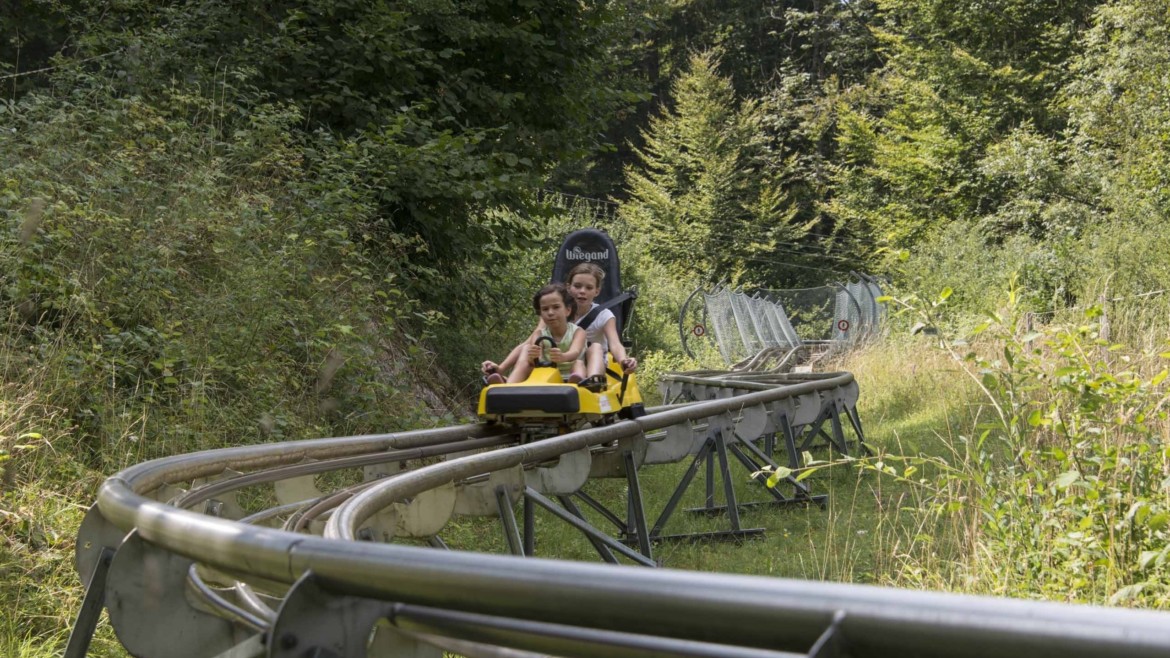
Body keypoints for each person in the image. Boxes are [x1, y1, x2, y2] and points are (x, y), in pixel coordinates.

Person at [482, 263, 637, 390]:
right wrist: (501, 366)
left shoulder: (604, 315)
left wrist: (624, 360)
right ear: (569, 288)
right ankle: (508, 386)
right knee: (527, 350)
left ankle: (592, 383)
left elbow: (615, 344)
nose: (582, 291)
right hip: (554, 362)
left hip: (586, 362)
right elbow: (528, 342)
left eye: (588, 288)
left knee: (595, 347)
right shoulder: (554, 314)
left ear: (596, 291)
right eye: (577, 286)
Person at [482, 283, 587, 385]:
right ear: (540, 314)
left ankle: (577, 385)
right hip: (546, 375)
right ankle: (508, 387)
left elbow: (575, 352)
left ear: (568, 310)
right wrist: (534, 356)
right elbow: (536, 358)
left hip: (569, 374)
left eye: (556, 307)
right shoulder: (539, 334)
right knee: (526, 356)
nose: (550, 313)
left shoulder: (578, 332)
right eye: (545, 309)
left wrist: (563, 357)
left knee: (579, 364)